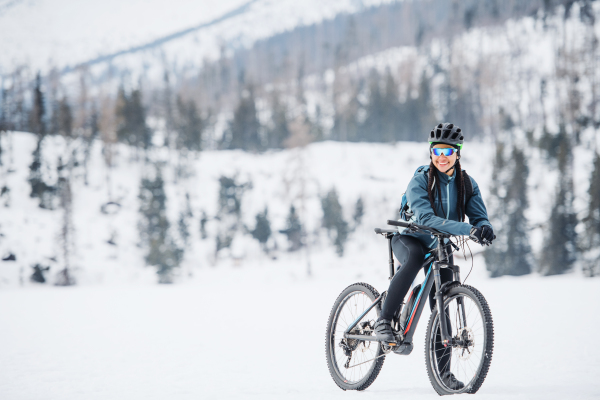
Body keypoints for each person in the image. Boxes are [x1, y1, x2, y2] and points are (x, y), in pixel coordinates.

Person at [374, 122, 494, 389]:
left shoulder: (467, 184)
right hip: (410, 238)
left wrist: (484, 227)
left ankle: (445, 375)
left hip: (440, 245)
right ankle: (383, 320)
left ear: (458, 154)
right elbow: (427, 218)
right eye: (437, 150)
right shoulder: (420, 180)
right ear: (430, 152)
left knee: (444, 306)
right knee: (414, 259)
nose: (442, 156)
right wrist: (468, 229)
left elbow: (478, 215)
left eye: (448, 152)